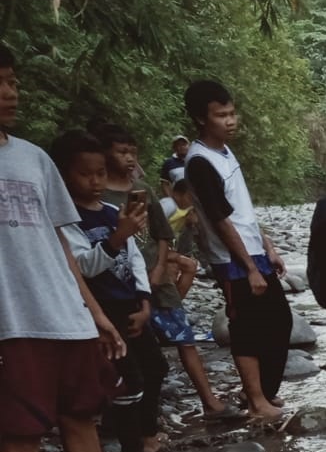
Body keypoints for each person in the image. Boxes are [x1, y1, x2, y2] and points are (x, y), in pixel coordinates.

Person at [0, 45, 161, 452]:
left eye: (12, 81)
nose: (9, 93)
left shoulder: (33, 158)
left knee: (81, 415)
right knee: (21, 430)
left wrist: (93, 314)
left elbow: (60, 246)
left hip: (62, 311)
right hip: (12, 318)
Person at [53, 130, 171, 452]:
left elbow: (134, 259)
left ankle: (148, 439)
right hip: (99, 312)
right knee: (128, 382)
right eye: (85, 174)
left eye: (100, 173)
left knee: (156, 370)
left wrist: (146, 300)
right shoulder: (66, 221)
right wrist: (117, 237)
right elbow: (84, 266)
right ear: (63, 176)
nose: (95, 181)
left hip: (131, 306)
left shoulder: (109, 211)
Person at [93, 122, 230, 422]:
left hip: (157, 277)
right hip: (119, 284)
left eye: (133, 152)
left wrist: (159, 269)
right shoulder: (96, 194)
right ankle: (126, 416)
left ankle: (209, 401)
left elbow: (163, 234)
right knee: (129, 351)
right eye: (121, 152)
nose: (129, 158)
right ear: (104, 154)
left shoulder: (143, 190)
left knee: (185, 337)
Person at [182, 78, 294, 422]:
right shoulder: (200, 161)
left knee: (280, 322)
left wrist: (268, 246)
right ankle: (257, 400)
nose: (230, 121)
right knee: (247, 328)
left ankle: (261, 395)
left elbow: (241, 211)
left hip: (251, 251)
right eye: (221, 115)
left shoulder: (225, 152)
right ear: (202, 119)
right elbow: (221, 220)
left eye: (232, 113)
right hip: (232, 260)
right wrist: (249, 267)